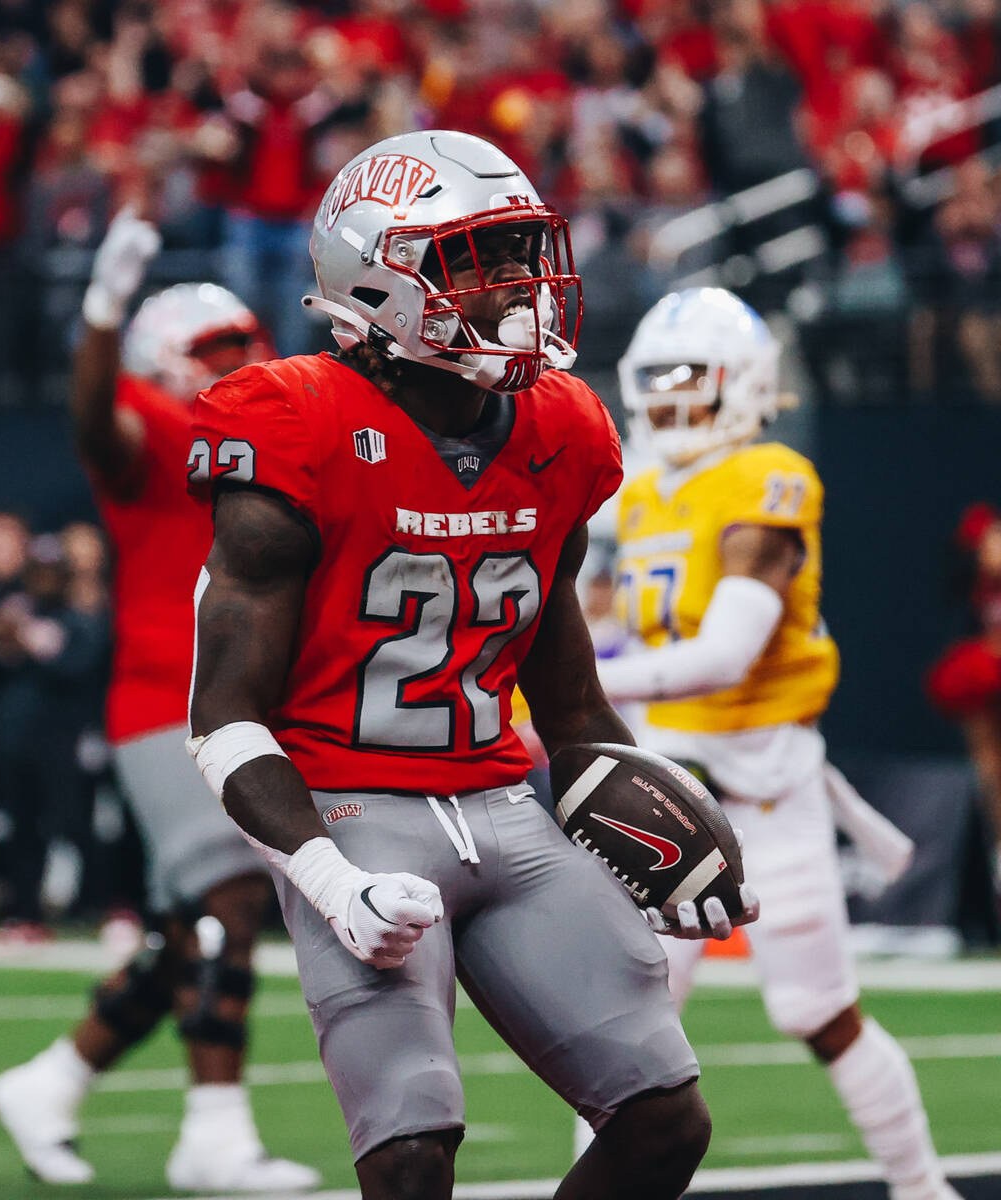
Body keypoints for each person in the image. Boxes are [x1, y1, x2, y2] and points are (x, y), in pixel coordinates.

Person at [185, 129, 756, 1200]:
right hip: (352, 814)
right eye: (478, 260)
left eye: (521, 253)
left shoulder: (561, 427)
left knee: (663, 1123)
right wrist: (329, 884)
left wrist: (645, 818)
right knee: (410, 1155)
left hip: (498, 801)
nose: (519, 287)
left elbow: (573, 701)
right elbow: (222, 719)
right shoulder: (293, 419)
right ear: (377, 276)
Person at [596, 286, 960, 1200]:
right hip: (664, 786)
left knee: (818, 1010)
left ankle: (922, 1188)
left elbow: (723, 655)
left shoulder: (768, 476)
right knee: (626, 1027)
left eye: (694, 378)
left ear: (747, 384)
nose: (675, 399)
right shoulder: (639, 494)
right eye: (660, 380)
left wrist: (574, 683)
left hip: (769, 779)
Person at [0, 210, 320, 1193]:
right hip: (165, 703)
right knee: (228, 897)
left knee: (191, 925)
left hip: (248, 700)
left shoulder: (276, 432)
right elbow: (96, 420)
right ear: (159, 363)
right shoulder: (160, 425)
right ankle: (213, 1131)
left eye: (243, 345)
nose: (236, 362)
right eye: (212, 352)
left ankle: (52, 1079)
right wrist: (98, 313)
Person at [926, 502, 1001, 938]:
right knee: (996, 783)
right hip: (991, 700)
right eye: (991, 540)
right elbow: (964, 655)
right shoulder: (974, 593)